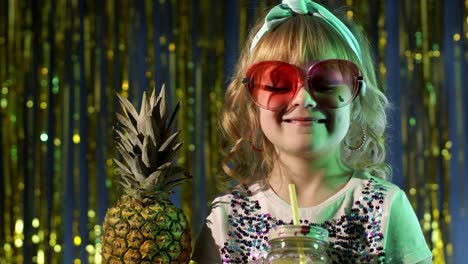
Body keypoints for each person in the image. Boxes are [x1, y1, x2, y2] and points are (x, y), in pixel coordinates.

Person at [191, 0, 433, 263]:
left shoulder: (386, 209)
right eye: (278, 82)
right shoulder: (227, 220)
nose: (303, 98)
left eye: (327, 81)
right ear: (252, 104)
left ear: (356, 100)